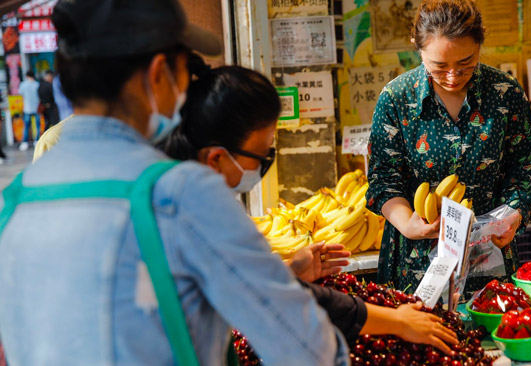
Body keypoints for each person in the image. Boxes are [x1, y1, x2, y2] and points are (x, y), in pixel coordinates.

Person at [0, 1, 348, 365]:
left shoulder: (17, 200)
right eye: (184, 70)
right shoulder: (180, 194)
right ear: (157, 74)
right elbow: (307, 349)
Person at [161, 61, 459, 353]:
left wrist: (290, 271)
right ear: (216, 158)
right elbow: (284, 298)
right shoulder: (193, 215)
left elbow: (247, 284)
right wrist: (396, 320)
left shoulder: (178, 191)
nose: (264, 165)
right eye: (262, 155)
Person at [366, 0, 531, 295]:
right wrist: (408, 224)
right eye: (439, 66)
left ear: (479, 47)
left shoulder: (505, 93)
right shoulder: (396, 99)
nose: (452, 77)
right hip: (416, 263)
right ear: (418, 48)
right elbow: (383, 180)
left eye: (465, 64)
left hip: (489, 261)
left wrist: (515, 214)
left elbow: (528, 169)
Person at [17, 70, 40, 150]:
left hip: (27, 108)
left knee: (26, 126)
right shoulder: (37, 84)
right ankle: (37, 141)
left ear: (26, 76)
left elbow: (20, 93)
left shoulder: (23, 85)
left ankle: (25, 142)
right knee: (37, 126)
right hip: (37, 108)